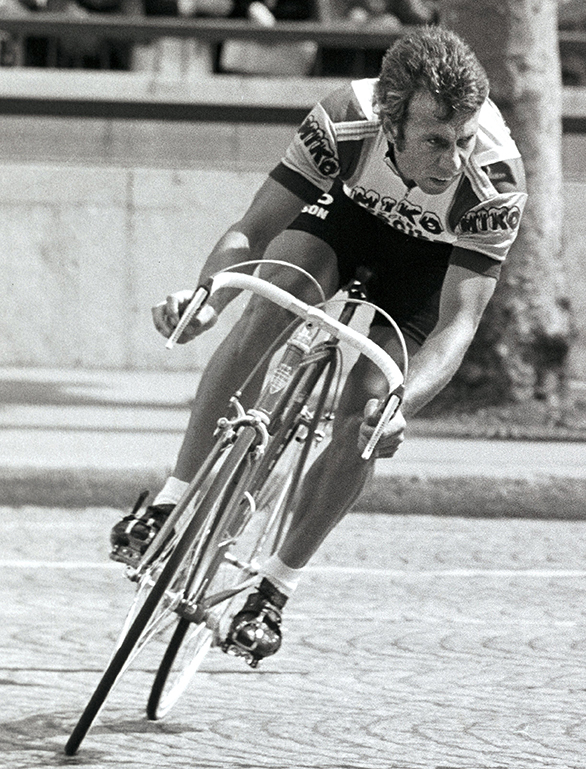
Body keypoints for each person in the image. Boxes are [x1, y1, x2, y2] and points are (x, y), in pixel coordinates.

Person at [111, 26, 527, 661]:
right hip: (349, 222)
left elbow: (457, 325)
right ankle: (172, 500)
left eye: (463, 140)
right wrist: (206, 299)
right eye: (435, 142)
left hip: (428, 266)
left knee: (366, 407)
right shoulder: (344, 120)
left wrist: (399, 404)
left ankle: (274, 589)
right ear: (391, 123)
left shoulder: (492, 182)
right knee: (274, 293)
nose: (453, 162)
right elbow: (252, 230)